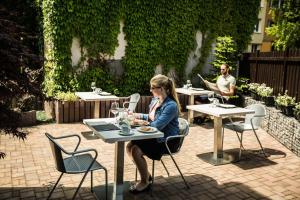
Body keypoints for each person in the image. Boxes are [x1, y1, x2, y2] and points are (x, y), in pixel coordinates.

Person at [126, 74, 181, 194]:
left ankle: (144, 182)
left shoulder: (171, 105)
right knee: (129, 146)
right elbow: (151, 118)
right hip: (155, 136)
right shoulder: (156, 100)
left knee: (135, 149)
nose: (150, 90)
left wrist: (139, 122)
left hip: (167, 140)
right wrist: (137, 115)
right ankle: (146, 175)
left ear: (161, 89)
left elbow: (156, 125)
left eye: (153, 87)